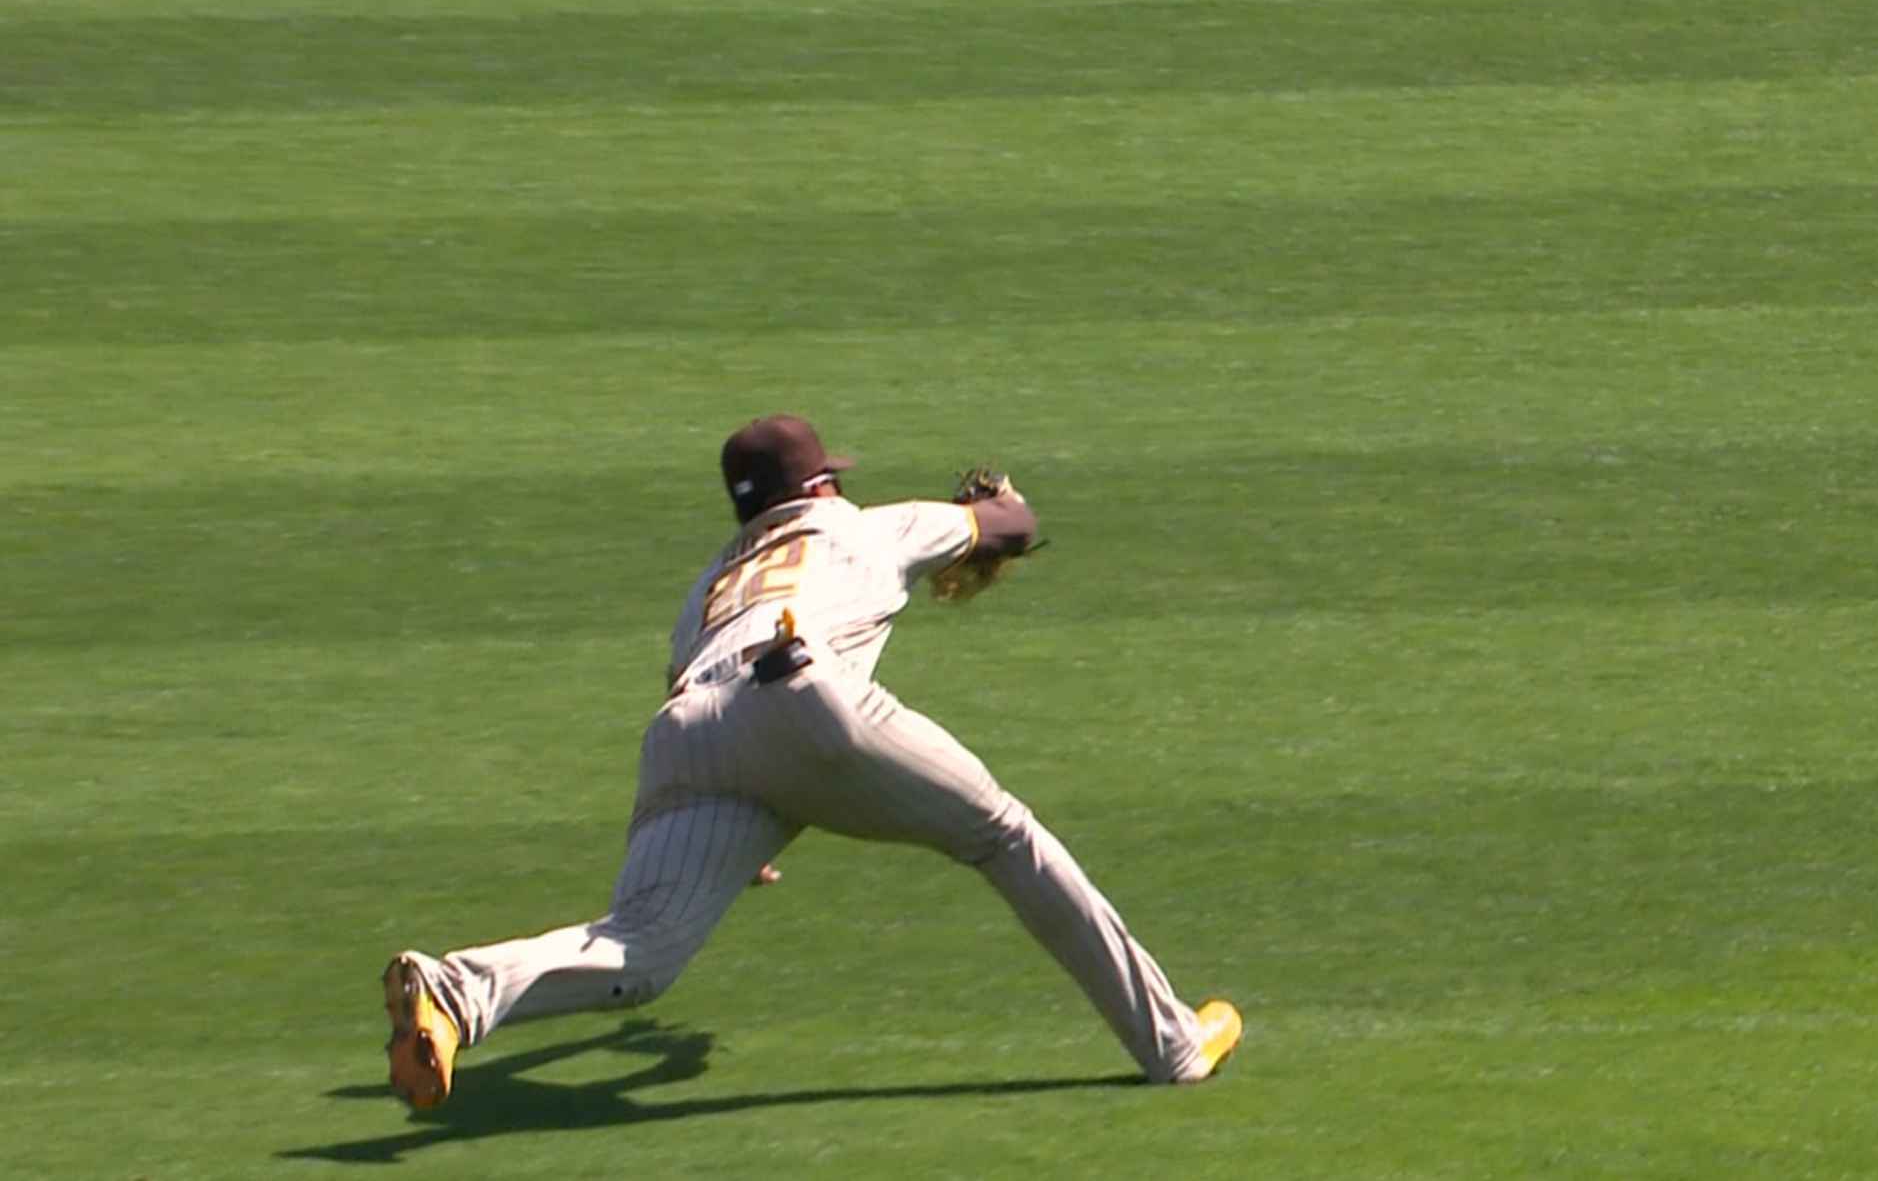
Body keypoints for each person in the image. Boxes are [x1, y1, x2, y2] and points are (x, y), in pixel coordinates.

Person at [382, 414, 1241, 1108]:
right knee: (1004, 836)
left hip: (687, 732)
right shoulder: (867, 526)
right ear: (821, 484)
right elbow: (1015, 526)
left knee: (640, 950)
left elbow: (704, 714)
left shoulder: (708, 589)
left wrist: (731, 832)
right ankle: (1170, 1042)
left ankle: (455, 993)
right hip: (804, 703)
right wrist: (993, 510)